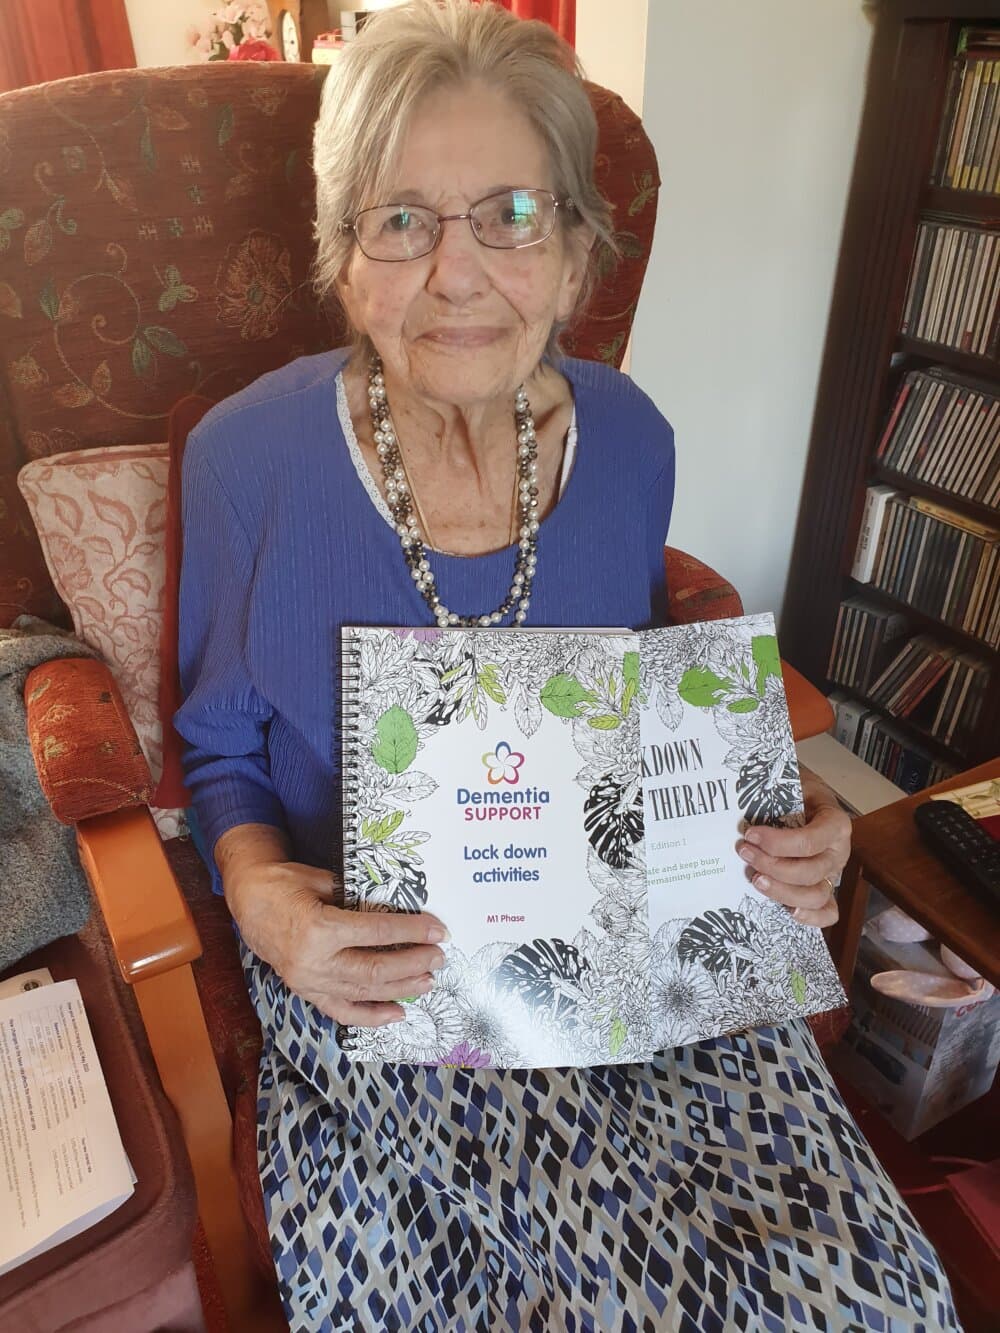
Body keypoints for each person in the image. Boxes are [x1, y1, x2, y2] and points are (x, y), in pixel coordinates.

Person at [176, 2, 959, 1329]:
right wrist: (265, 906)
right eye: (401, 219)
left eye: (511, 214)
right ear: (342, 255)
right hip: (385, 982)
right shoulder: (246, 457)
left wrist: (776, 819)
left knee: (861, 1299)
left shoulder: (634, 440)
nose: (458, 272)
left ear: (581, 243)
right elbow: (218, 747)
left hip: (634, 967)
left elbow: (653, 703)